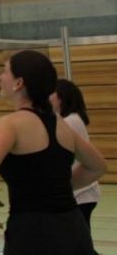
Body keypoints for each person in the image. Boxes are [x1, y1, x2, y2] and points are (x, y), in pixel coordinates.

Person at [0, 50, 107, 255]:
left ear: (19, 83)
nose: (0, 77)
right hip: (73, 229)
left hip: (32, 233)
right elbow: (97, 167)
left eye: (5, 71)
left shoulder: (10, 124)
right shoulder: (61, 124)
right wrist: (56, 186)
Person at [51, 78, 101, 250]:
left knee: (78, 245)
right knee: (77, 243)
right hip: (80, 194)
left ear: (61, 98)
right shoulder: (70, 119)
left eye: (51, 94)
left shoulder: (69, 121)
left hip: (82, 195)